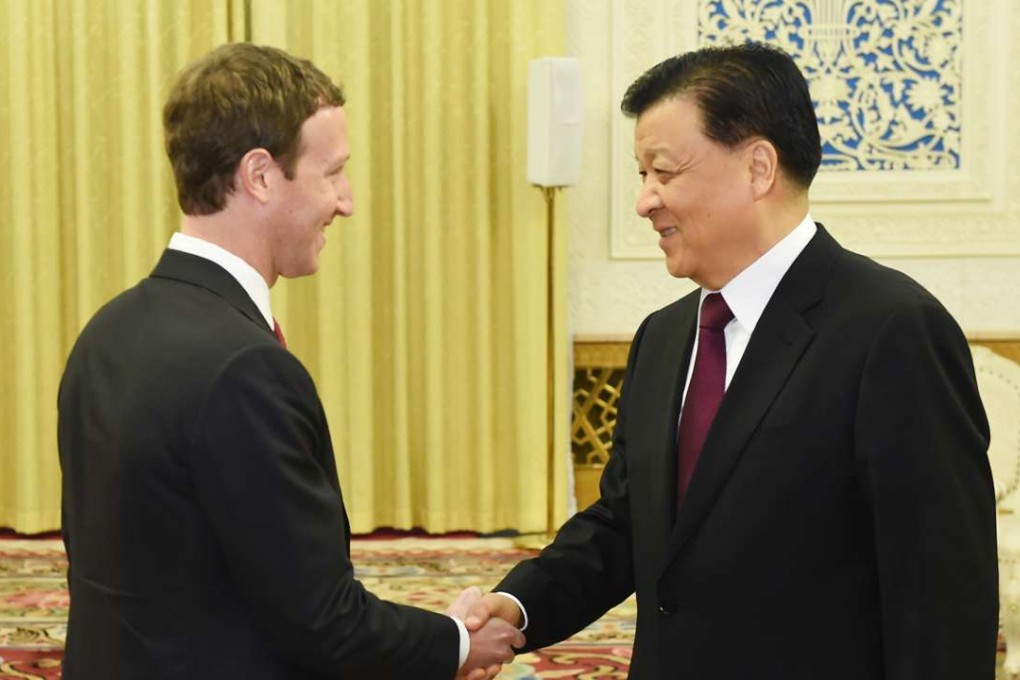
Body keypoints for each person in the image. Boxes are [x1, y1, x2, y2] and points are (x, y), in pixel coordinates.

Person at [465, 42, 998, 678]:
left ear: (758, 167)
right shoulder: (663, 339)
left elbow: (941, 596)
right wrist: (519, 607)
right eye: (642, 176)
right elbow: (625, 526)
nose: (645, 201)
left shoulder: (891, 330)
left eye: (664, 172)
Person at [57, 42, 522, 679]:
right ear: (260, 175)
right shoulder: (243, 367)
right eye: (331, 172)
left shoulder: (108, 330)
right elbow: (322, 625)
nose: (346, 200)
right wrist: (460, 643)